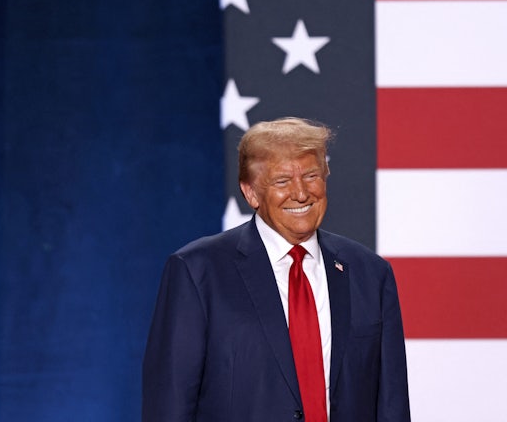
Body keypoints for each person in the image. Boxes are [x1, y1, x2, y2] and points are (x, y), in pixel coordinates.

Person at [142, 117, 410, 422]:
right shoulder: (198, 272)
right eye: (282, 181)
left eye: (311, 175)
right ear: (251, 192)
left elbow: (392, 405)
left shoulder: (370, 274)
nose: (301, 193)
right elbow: (170, 404)